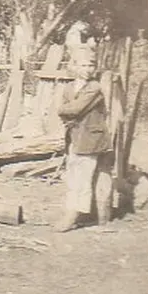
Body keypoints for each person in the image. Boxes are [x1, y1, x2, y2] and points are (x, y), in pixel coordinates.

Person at [53, 52, 113, 232]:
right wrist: (65, 112)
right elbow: (65, 111)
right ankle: (72, 210)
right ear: (74, 66)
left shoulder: (94, 87)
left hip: (91, 138)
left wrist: (64, 110)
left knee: (83, 179)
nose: (88, 70)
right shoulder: (69, 87)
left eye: (91, 66)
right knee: (72, 177)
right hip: (74, 137)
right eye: (84, 65)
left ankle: (74, 215)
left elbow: (76, 109)